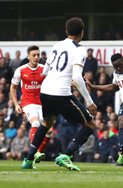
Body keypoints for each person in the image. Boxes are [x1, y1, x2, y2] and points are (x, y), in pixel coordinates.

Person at [21, 17, 97, 171]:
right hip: (61, 94)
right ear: (82, 32)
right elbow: (76, 77)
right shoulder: (80, 49)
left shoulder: (57, 45)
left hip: (46, 91)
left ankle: (28, 159)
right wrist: (89, 101)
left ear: (66, 31)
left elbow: (45, 71)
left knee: (46, 123)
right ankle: (66, 155)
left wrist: (61, 76)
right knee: (90, 124)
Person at [10, 45, 52, 164]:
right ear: (28, 56)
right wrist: (15, 103)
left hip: (43, 103)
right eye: (34, 55)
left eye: (38, 55)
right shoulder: (21, 70)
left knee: (49, 131)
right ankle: (35, 153)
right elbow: (13, 88)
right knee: (35, 122)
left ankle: (35, 156)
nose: (36, 57)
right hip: (28, 103)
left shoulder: (45, 69)